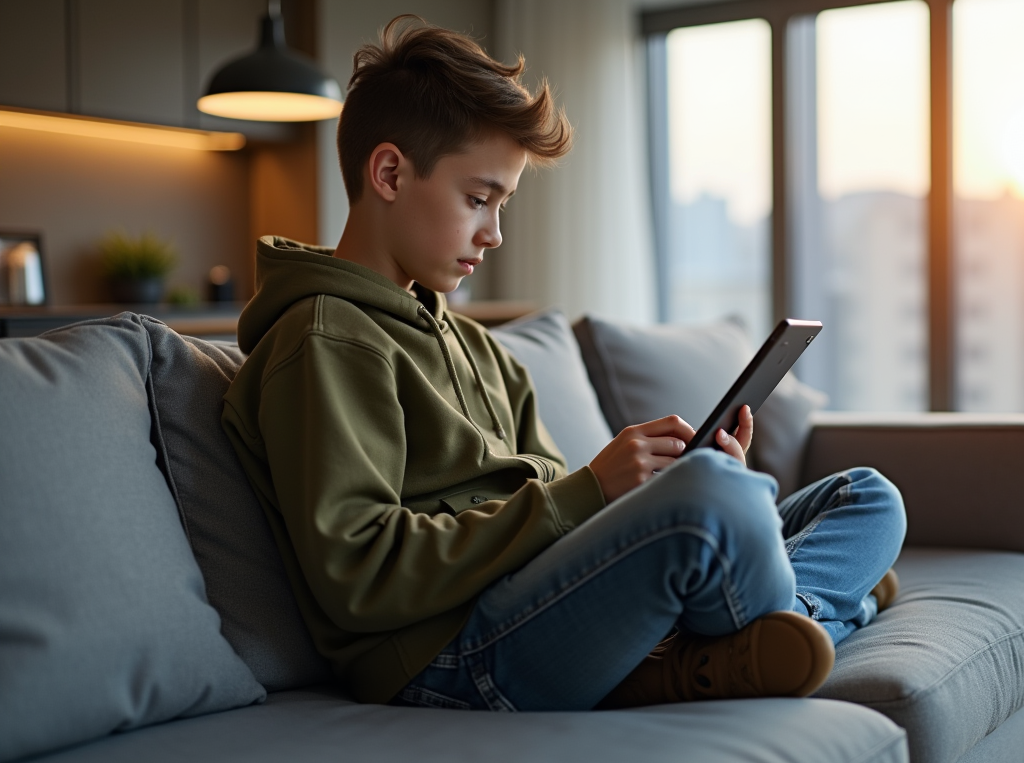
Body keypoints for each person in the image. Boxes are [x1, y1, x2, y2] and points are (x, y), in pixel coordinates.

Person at [222, 15, 906, 713]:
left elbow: (557, 510)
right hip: (450, 653)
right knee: (719, 503)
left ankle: (757, 627)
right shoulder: (325, 339)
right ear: (391, 172)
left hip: (537, 599)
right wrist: (597, 493)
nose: (493, 233)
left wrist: (638, 493)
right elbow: (358, 573)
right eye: (478, 199)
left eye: (502, 204)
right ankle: (810, 609)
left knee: (866, 496)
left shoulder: (481, 348)